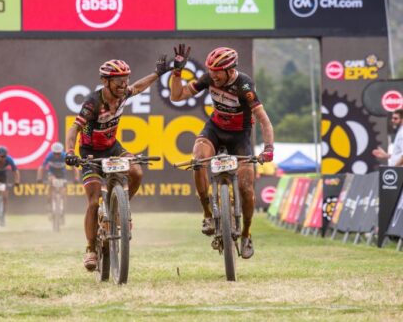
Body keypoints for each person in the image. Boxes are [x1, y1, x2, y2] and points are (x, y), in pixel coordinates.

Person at [169, 44, 274, 259]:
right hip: (215, 130)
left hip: (240, 136)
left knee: (246, 188)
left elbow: (264, 120)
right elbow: (177, 96)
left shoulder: (244, 85)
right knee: (198, 160)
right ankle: (207, 214)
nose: (213, 75)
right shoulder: (209, 78)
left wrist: (268, 148)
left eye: (217, 72)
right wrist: (177, 73)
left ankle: (246, 233)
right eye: (211, 70)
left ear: (230, 70)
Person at [65, 56, 169, 271]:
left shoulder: (123, 94)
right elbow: (74, 128)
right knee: (93, 203)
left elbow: (138, 87)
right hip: (90, 153)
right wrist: (70, 152)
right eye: (118, 80)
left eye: (126, 78)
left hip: (113, 147)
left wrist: (158, 73)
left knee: (136, 172)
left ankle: (121, 208)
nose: (124, 84)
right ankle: (91, 249)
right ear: (105, 81)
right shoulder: (93, 103)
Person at [36, 142, 79, 212]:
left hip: (62, 174)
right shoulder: (49, 156)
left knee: (64, 192)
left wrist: (76, 178)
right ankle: (49, 202)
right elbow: (41, 167)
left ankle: (63, 207)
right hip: (52, 173)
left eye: (58, 153)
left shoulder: (65, 156)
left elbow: (74, 168)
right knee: (51, 183)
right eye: (55, 153)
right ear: (52, 152)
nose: (57, 155)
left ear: (61, 152)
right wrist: (39, 178)